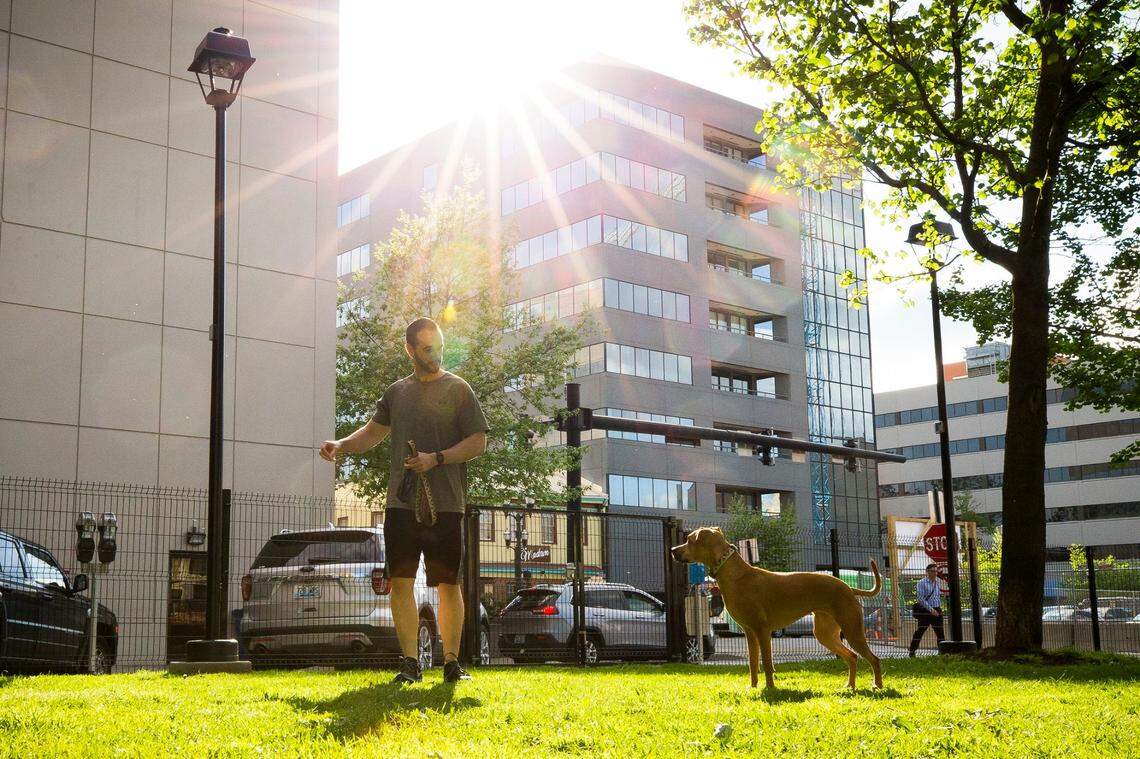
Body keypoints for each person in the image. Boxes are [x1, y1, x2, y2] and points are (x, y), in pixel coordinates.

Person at [320, 317, 488, 684]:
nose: (436, 355)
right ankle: (410, 664)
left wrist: (436, 458)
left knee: (448, 584)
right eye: (428, 349)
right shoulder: (397, 393)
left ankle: (451, 663)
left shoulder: (459, 389)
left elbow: (479, 442)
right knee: (401, 581)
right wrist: (341, 446)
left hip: (445, 504)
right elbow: (372, 432)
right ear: (410, 350)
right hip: (401, 503)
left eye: (440, 347)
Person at [909, 563, 945, 657]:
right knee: (920, 631)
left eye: (936, 571)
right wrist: (931, 610)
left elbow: (937, 596)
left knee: (940, 633)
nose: (935, 573)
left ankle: (942, 652)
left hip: (937, 610)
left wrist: (938, 610)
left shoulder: (937, 583)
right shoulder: (921, 583)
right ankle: (912, 651)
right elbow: (921, 599)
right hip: (926, 611)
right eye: (933, 571)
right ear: (927, 572)